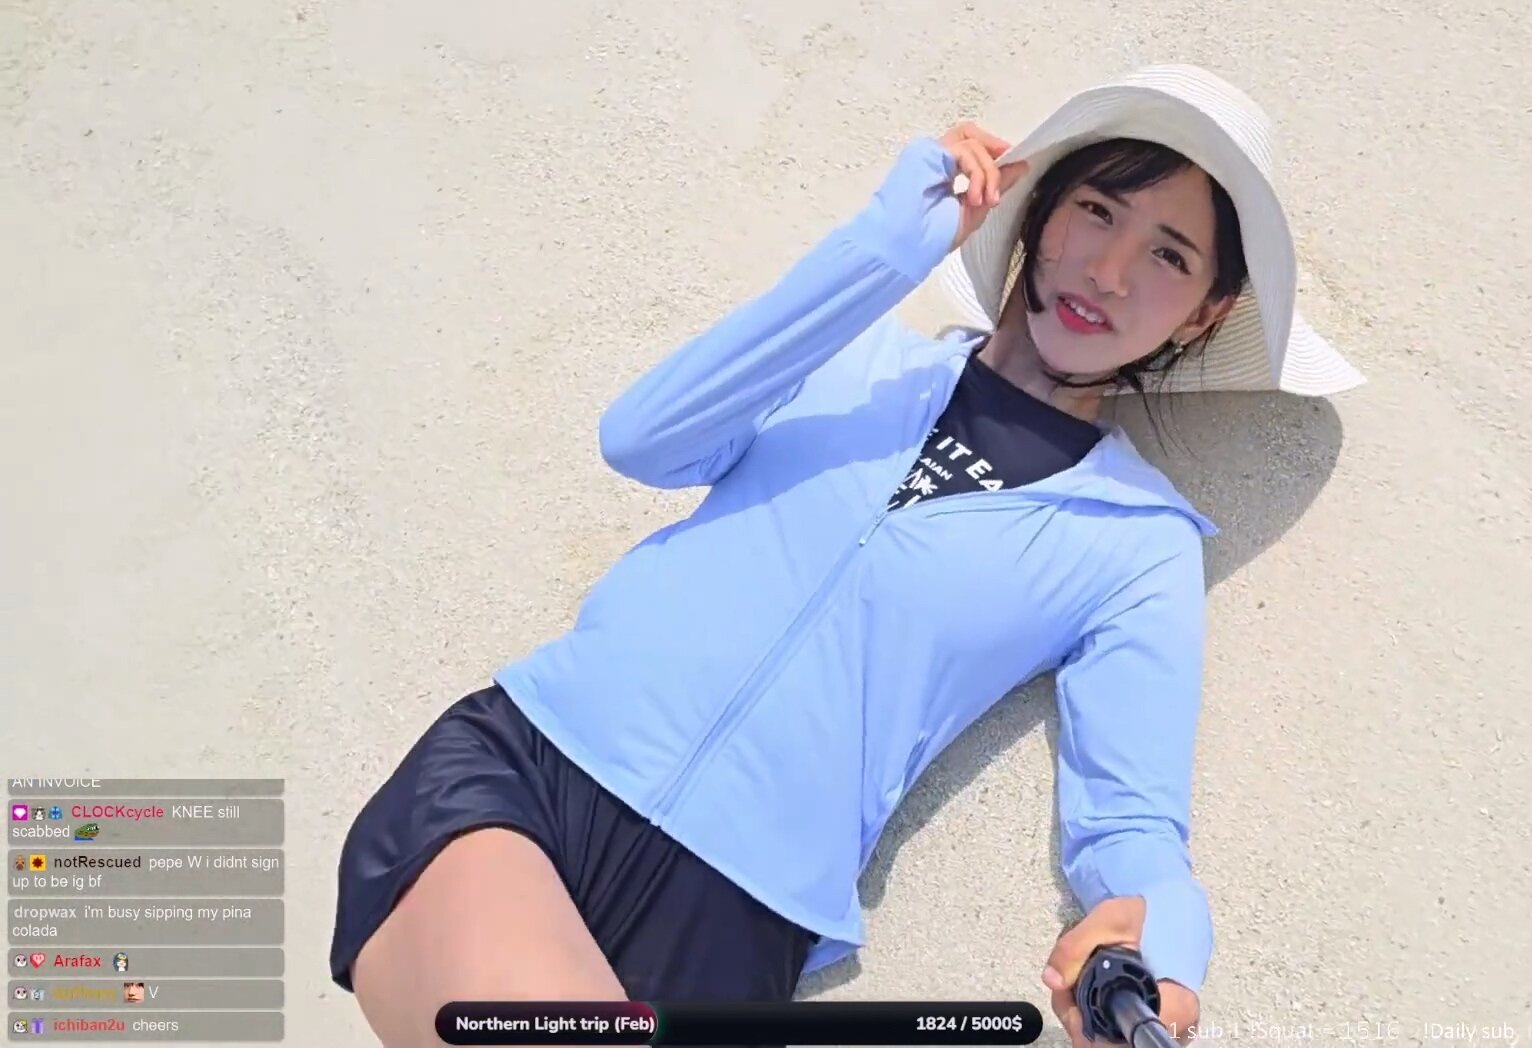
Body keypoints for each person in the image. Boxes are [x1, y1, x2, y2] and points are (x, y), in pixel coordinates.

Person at [328, 64, 1361, 1048]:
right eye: (1096, 210)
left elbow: (1130, 822)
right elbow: (643, 439)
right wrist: (882, 251)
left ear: (1207, 311)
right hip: (529, 777)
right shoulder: (857, 355)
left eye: (1170, 256)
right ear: (1038, 211)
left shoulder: (1138, 542)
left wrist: (1164, 958)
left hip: (736, 921)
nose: (1110, 271)